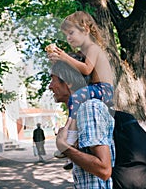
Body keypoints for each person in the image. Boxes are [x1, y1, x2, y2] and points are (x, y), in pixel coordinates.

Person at [46, 11, 114, 168]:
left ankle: (70, 138)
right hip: (97, 88)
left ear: (85, 30)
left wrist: (63, 56)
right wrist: (58, 58)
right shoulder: (83, 51)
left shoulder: (93, 48)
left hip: (104, 89)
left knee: (75, 98)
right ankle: (74, 145)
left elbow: (86, 69)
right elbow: (74, 67)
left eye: (71, 32)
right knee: (77, 100)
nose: (68, 38)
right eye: (66, 34)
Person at [49, 60, 115, 188]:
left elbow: (104, 170)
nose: (50, 86)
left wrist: (64, 147)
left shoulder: (88, 108)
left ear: (68, 82)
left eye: (53, 80)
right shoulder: (80, 110)